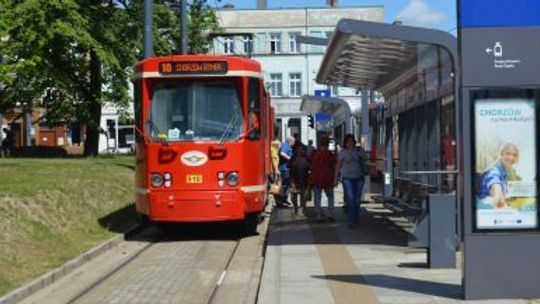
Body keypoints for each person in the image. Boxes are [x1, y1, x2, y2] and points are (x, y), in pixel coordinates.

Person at [334, 134, 368, 228]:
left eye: (351, 141)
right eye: (348, 141)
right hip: (347, 178)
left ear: (354, 141)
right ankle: (352, 221)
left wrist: (362, 153)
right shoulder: (343, 152)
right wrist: (335, 179)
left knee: (357, 200)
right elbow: (338, 166)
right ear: (345, 142)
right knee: (350, 199)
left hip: (359, 177)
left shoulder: (358, 150)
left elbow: (366, 159)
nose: (350, 143)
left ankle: (355, 219)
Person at [477, 143, 520, 209]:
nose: (511, 157)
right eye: (507, 153)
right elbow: (494, 180)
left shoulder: (504, 172)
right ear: (501, 154)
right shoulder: (494, 169)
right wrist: (498, 194)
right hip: (485, 212)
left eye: (514, 155)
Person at [309, 137, 337, 222]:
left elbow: (309, 163)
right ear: (328, 145)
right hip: (328, 179)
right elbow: (335, 166)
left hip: (316, 178)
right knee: (330, 197)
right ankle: (330, 214)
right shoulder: (330, 154)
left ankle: (318, 216)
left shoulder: (314, 153)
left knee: (317, 197)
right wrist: (336, 179)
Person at [289, 143, 310, 215]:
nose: (300, 150)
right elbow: (289, 166)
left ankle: (302, 209)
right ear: (295, 150)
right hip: (294, 179)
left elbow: (310, 167)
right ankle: (295, 208)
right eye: (298, 149)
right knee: (293, 196)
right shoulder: (293, 157)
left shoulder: (306, 157)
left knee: (303, 196)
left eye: (301, 149)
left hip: (304, 178)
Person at [278, 136, 295, 207]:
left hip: (287, 168)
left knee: (288, 185)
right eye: (293, 142)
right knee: (285, 185)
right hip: (284, 168)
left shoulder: (286, 145)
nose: (293, 144)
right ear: (290, 141)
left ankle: (284, 199)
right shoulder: (285, 145)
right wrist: (290, 158)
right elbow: (282, 153)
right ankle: (282, 200)